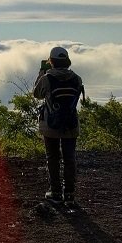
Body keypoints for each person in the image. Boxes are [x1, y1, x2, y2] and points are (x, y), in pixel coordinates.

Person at [33, 46, 84, 206]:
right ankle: (69, 194)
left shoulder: (47, 78)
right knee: (69, 158)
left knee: (53, 157)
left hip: (51, 124)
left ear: (52, 61)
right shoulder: (77, 78)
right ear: (67, 61)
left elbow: (37, 94)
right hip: (70, 123)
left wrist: (42, 72)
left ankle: (55, 192)